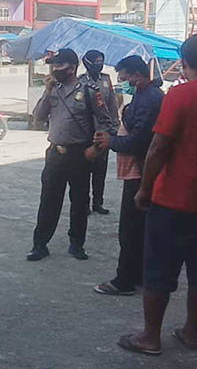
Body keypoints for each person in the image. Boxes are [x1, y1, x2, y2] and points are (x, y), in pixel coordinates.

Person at [116, 34, 197, 357]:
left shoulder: (179, 96)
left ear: (184, 63)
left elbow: (159, 146)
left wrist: (145, 188)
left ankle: (150, 337)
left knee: (159, 268)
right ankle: (190, 331)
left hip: (173, 199)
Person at [27, 48, 117, 262]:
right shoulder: (53, 89)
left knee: (79, 202)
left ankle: (77, 244)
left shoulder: (89, 91)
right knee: (48, 201)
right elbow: (38, 117)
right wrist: (47, 93)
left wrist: (95, 149)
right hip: (56, 154)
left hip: (80, 154)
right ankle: (40, 244)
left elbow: (107, 123)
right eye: (53, 65)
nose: (55, 69)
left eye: (59, 66)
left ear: (72, 68)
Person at [93, 55, 163, 296]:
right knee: (139, 228)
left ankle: (125, 281)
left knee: (130, 229)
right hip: (139, 169)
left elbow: (140, 141)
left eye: (124, 77)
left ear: (136, 75)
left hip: (141, 171)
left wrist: (111, 141)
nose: (121, 82)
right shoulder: (145, 96)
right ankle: (139, 274)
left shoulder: (150, 99)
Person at [80, 50, 120, 215]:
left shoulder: (105, 79)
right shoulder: (81, 81)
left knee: (100, 170)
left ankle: (98, 203)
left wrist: (114, 126)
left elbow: (112, 103)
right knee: (84, 171)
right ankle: (85, 204)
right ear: (87, 62)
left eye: (101, 61)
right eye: (96, 61)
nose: (99, 64)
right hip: (86, 132)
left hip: (104, 131)